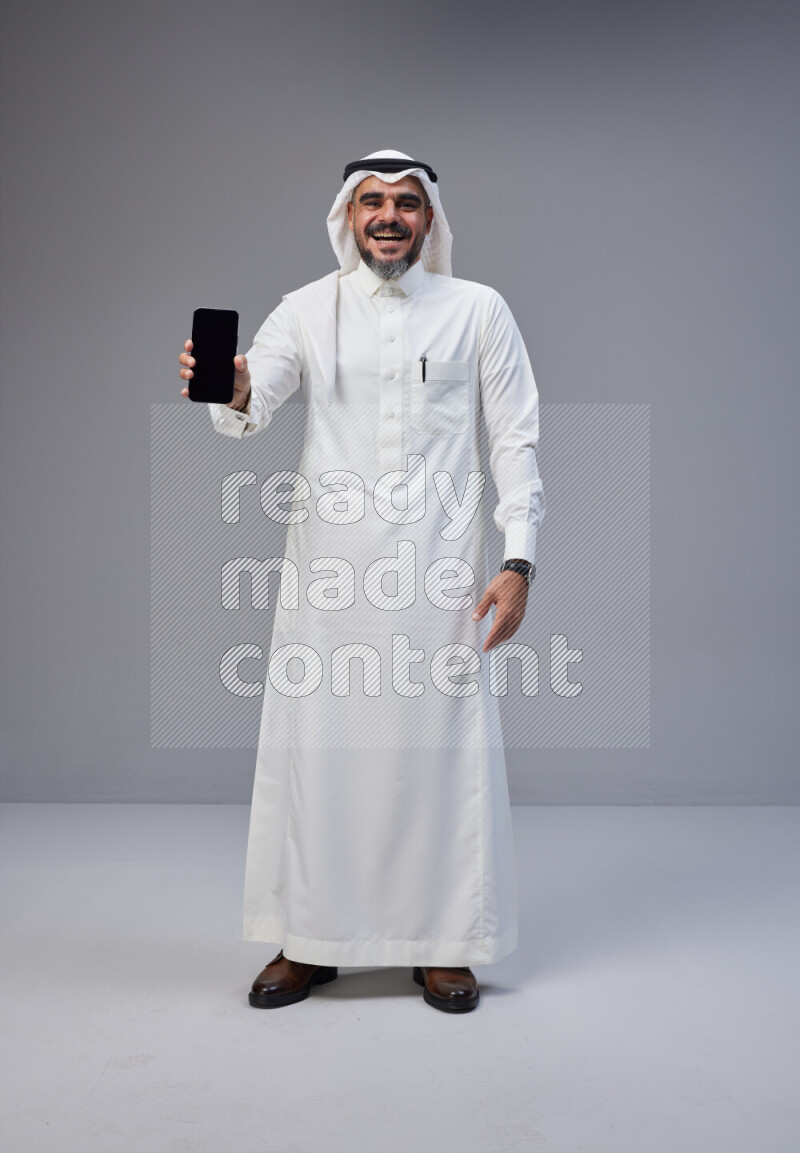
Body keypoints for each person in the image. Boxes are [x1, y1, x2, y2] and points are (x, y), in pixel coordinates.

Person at [178, 149, 545, 1013]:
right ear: (347, 216)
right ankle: (310, 941)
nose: (388, 216)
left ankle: (443, 942)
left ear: (430, 220)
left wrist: (518, 560)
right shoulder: (306, 310)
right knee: (322, 759)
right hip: (329, 583)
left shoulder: (478, 311)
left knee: (438, 759)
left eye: (406, 203)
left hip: (442, 578)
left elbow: (516, 441)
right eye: (371, 202)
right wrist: (229, 387)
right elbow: (249, 406)